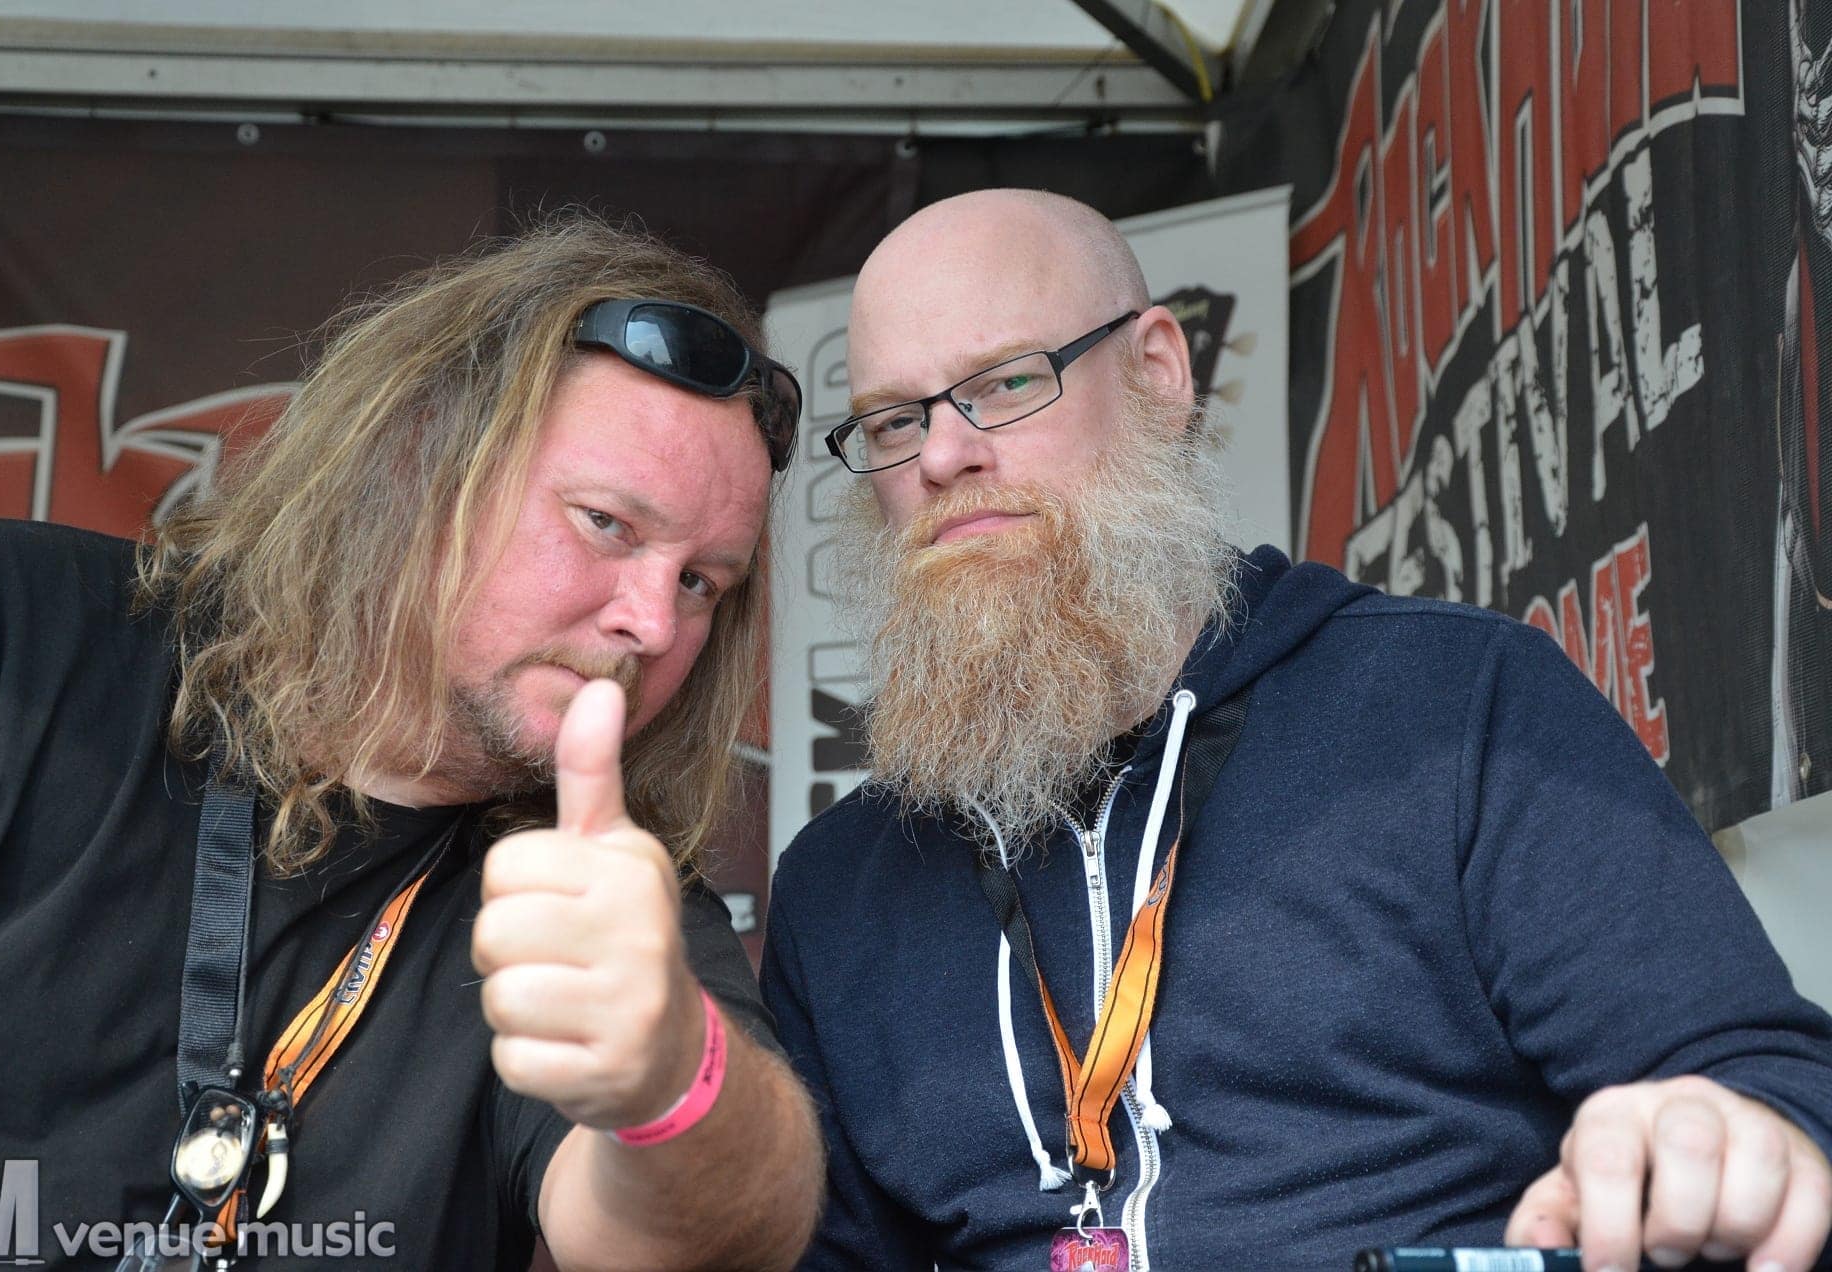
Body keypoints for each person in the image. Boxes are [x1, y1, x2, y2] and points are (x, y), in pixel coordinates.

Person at [760, 188, 1832, 1272]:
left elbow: (1767, 1089)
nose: (943, 455)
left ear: (1158, 374)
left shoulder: (1456, 708)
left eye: (1005, 383)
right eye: (894, 422)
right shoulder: (839, 887)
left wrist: (1728, 1138)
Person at [0, 213, 822, 1270]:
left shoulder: (590, 892)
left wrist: (672, 1081)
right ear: (414, 459)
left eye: (701, 581)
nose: (655, 625)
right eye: (606, 524)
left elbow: (725, 1233)